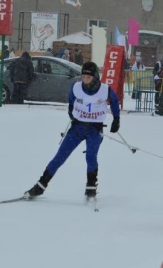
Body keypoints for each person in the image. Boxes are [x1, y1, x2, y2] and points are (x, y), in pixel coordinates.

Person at [24, 62, 121, 200]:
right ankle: (40, 186)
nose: (85, 80)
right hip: (77, 128)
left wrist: (116, 119)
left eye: (88, 77)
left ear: (95, 77)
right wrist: (71, 111)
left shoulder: (104, 89)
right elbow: (71, 100)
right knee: (60, 157)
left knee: (91, 157)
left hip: (94, 129)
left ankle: (91, 189)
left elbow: (115, 101)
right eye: (83, 76)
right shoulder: (76, 87)